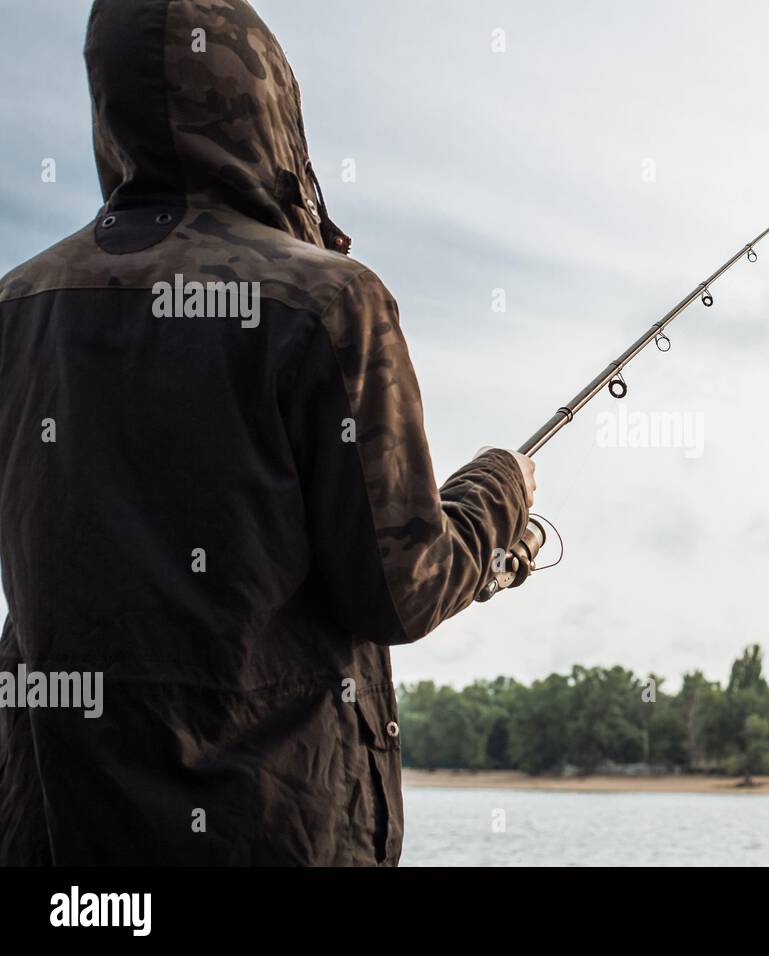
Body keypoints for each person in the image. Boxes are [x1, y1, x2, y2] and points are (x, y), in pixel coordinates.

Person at [0, 0, 535, 865]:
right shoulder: (329, 301)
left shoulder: (15, 305)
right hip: (281, 831)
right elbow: (403, 589)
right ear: (266, 99)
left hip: (57, 835)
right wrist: (497, 493)